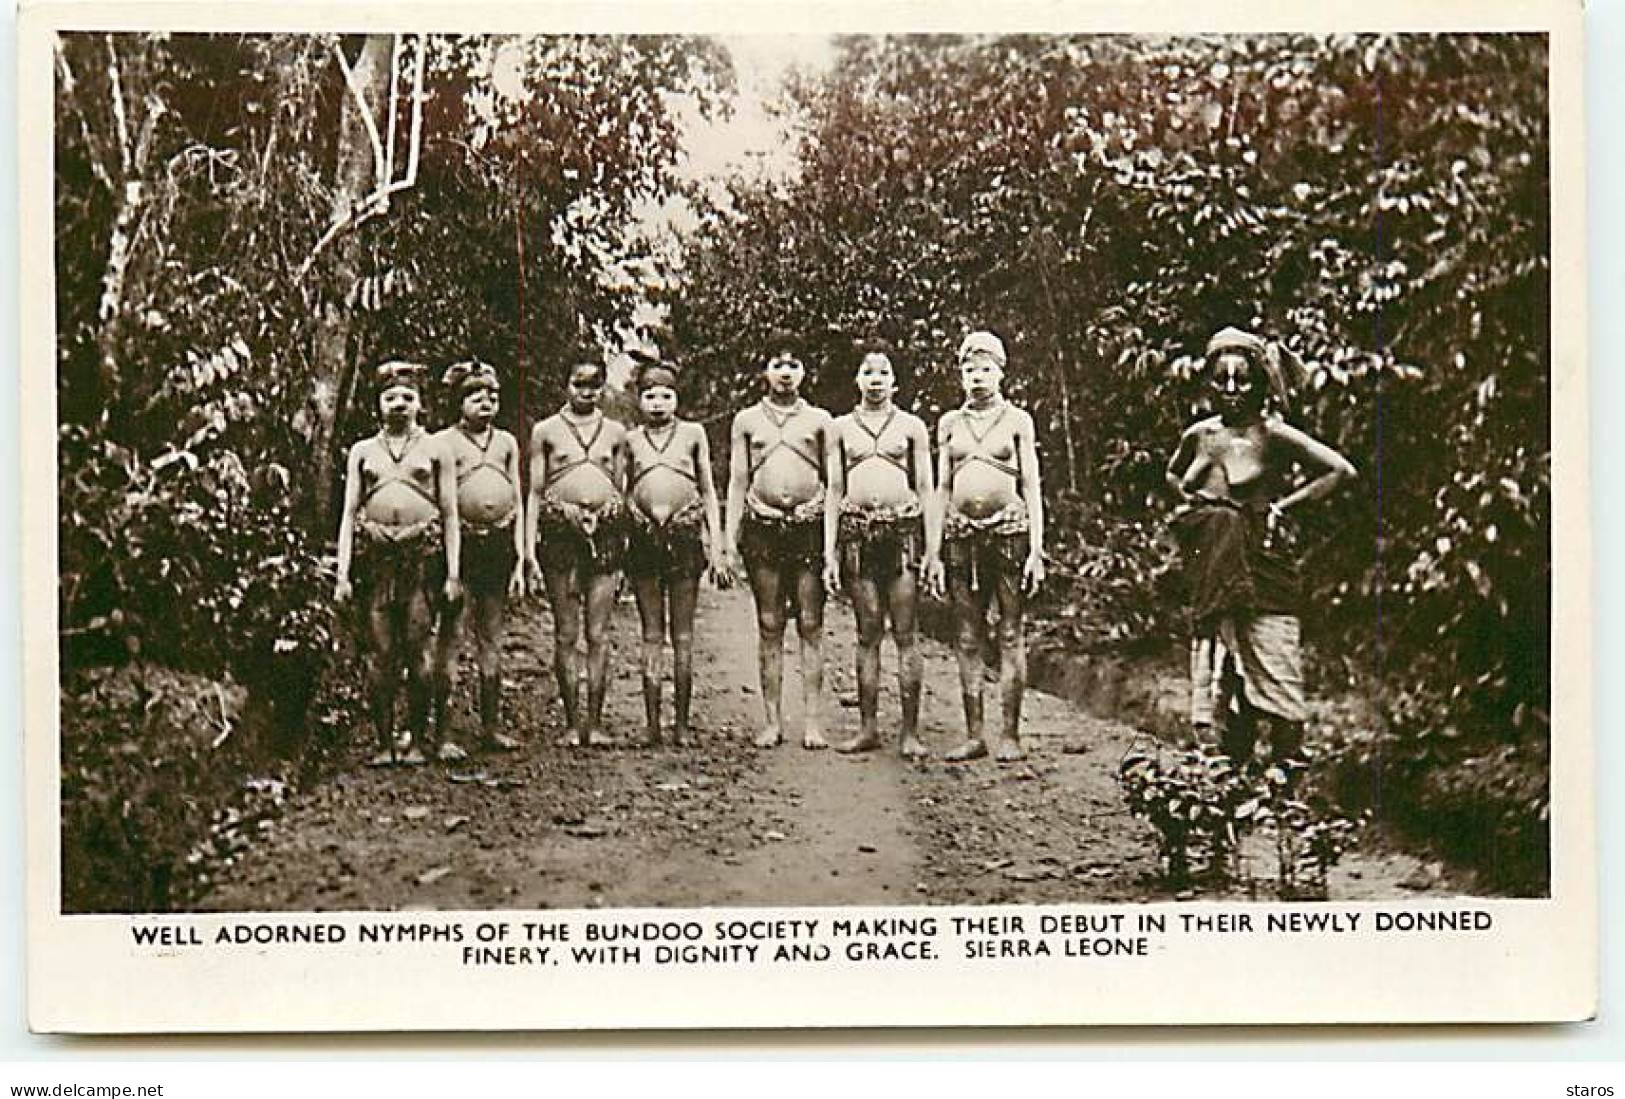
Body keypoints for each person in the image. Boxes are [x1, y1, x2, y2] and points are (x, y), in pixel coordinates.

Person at [1165, 325, 1357, 767]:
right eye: (1221, 379)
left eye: (1242, 379)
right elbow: (1174, 475)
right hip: (1215, 564)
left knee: (1275, 662)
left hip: (1264, 563)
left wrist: (1282, 508)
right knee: (1227, 671)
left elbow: (1339, 470)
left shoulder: (1273, 434)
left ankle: (1287, 775)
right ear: (1209, 382)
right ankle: (1234, 775)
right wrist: (1197, 512)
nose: (1231, 389)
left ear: (1260, 382)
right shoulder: (1199, 435)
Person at [334, 360, 462, 766]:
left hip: (421, 560)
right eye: (390, 398)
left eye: (407, 397)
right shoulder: (363, 452)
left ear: (420, 403)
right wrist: (342, 574)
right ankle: (384, 742)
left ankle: (419, 739)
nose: (399, 405)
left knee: (419, 651)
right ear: (378, 404)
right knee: (380, 654)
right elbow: (349, 513)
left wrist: (454, 573)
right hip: (376, 561)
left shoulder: (435, 449)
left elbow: (450, 514)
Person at [928, 331, 1045, 763]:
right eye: (970, 369)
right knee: (966, 636)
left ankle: (1010, 734)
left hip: (1009, 535)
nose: (978, 377)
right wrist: (933, 551)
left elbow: (1031, 484)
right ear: (960, 374)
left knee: (1011, 632)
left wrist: (1036, 548)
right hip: (961, 537)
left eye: (986, 368)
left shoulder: (1018, 421)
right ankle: (975, 733)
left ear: (1001, 372)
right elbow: (941, 487)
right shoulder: (949, 424)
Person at [724, 335, 839, 750]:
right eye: (777, 363)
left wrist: (830, 547)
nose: (785, 372)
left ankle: (812, 720)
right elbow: (737, 480)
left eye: (793, 364)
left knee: (811, 623)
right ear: (765, 370)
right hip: (763, 528)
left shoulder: (822, 421)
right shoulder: (746, 421)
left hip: (808, 527)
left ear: (804, 372)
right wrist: (726, 540)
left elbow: (834, 484)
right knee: (769, 624)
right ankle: (772, 720)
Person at [825, 350, 937, 758]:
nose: (875, 379)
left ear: (895, 381)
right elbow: (834, 490)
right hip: (857, 534)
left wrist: (933, 550)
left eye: (883, 372)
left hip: (902, 533)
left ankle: (910, 732)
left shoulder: (911, 426)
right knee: (867, 631)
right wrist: (828, 553)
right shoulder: (840, 428)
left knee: (906, 633)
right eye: (868, 372)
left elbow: (926, 488)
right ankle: (868, 727)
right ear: (857, 379)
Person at [624, 358, 727, 747]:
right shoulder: (631, 440)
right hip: (644, 540)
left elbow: (708, 490)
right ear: (639, 401)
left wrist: (715, 544)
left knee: (683, 635)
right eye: (650, 395)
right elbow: (622, 490)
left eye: (666, 395)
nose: (658, 403)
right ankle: (652, 724)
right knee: (652, 633)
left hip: (684, 540)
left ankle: (682, 724)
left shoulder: (693, 434)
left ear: (677, 399)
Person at [525, 361, 629, 748]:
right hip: (559, 535)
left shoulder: (616, 432)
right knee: (566, 632)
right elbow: (535, 491)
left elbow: (621, 488)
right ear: (565, 384)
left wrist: (609, 514)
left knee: (598, 632)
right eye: (579, 384)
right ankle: (571, 722)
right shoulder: (546, 431)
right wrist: (529, 548)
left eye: (594, 385)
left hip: (604, 536)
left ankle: (596, 722)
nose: (586, 391)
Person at [430, 360, 525, 760]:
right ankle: (444, 733)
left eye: (492, 395)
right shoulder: (443, 443)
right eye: (474, 395)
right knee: (451, 635)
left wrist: (521, 559)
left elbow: (518, 498)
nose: (485, 401)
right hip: (459, 546)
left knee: (492, 634)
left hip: (498, 546)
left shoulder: (505, 443)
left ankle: (490, 727)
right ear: (458, 402)